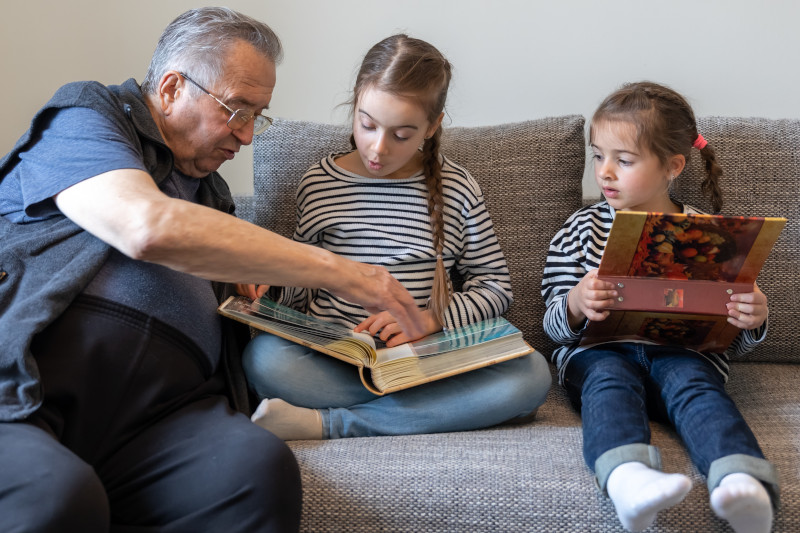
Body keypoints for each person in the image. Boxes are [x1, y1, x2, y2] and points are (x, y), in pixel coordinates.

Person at [0, 8, 429, 533]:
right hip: (34, 388)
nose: (247, 136)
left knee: (256, 471)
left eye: (258, 115)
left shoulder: (212, 197)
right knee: (55, 498)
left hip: (165, 417)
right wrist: (347, 274)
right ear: (173, 87)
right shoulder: (87, 116)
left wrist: (250, 301)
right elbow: (146, 227)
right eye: (236, 110)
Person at [239, 34, 551, 441]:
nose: (378, 148)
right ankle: (429, 412)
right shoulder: (319, 183)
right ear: (355, 104)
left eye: (401, 135)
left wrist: (428, 321)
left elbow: (495, 286)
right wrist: (273, 293)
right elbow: (303, 286)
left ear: (432, 125)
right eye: (367, 125)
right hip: (336, 359)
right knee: (264, 359)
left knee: (529, 374)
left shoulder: (458, 188)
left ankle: (333, 423)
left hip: (426, 364)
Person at [541, 81, 779, 533]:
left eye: (623, 160)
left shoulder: (709, 234)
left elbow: (732, 341)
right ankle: (628, 479)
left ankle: (741, 480)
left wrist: (752, 317)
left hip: (683, 354)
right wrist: (575, 302)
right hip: (600, 355)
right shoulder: (579, 230)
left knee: (697, 387)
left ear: (672, 166)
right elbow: (552, 327)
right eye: (598, 156)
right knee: (608, 380)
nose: (604, 172)